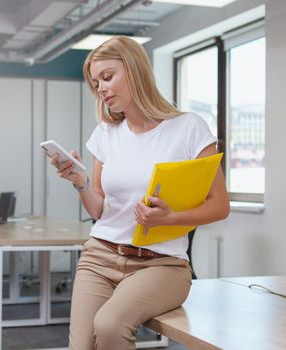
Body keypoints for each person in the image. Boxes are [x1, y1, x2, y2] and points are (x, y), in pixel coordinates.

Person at [48, 36, 230, 349]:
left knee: (109, 325)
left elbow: (220, 206)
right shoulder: (105, 133)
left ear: (135, 70)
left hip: (162, 265)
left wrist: (171, 218)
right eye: (96, 82)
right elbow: (99, 210)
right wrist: (79, 182)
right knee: (81, 345)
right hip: (100, 257)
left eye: (108, 77)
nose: (101, 88)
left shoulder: (189, 128)